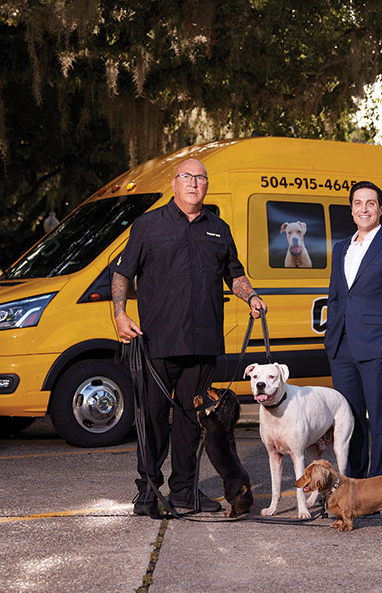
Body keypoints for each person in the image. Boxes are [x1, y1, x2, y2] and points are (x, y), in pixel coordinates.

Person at [112, 158, 267, 518]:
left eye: (200, 178)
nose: (194, 183)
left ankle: (184, 490)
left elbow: (235, 274)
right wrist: (119, 314)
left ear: (206, 185)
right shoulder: (148, 225)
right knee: (151, 420)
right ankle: (147, 492)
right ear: (174, 183)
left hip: (203, 344)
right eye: (187, 177)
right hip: (156, 343)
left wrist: (252, 297)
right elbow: (122, 273)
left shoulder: (219, 229)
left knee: (190, 423)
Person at [323, 180, 382, 478]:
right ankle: (353, 484)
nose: (364, 209)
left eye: (370, 203)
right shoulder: (341, 249)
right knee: (349, 420)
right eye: (358, 203)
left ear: (380, 209)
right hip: (342, 347)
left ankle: (378, 487)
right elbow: (336, 297)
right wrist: (331, 338)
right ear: (351, 210)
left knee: (379, 420)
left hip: (377, 347)